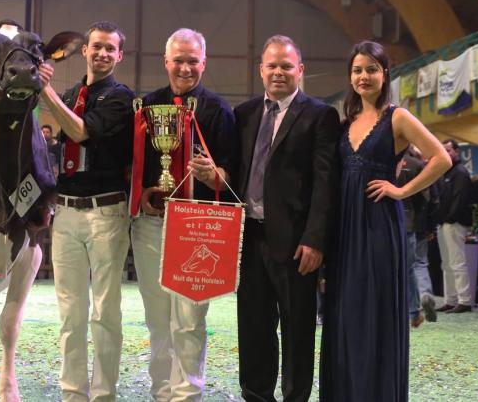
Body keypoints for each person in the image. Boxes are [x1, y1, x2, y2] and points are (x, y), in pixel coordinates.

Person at [319, 40, 450, 401]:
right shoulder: (345, 122)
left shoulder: (398, 117)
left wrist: (401, 190)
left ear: (385, 73)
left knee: (374, 310)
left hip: (378, 227)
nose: (364, 76)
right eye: (358, 70)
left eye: (371, 69)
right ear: (351, 75)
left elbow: (441, 158)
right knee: (345, 312)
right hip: (345, 230)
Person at [129, 28, 235, 400]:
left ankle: (187, 395)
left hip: (197, 226)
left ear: (204, 63)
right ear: (166, 61)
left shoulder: (220, 110)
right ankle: (161, 391)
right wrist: (141, 193)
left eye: (193, 61)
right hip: (151, 226)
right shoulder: (146, 106)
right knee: (157, 319)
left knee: (189, 321)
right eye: (179, 60)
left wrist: (213, 174)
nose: (186, 68)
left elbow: (230, 172)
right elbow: (136, 165)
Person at [234, 35, 341, 402]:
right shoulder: (244, 114)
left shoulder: (320, 115)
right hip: (249, 238)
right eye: (272, 66)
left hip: (297, 243)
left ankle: (296, 396)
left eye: (286, 66)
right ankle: (256, 394)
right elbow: (236, 173)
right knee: (253, 324)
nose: (279, 72)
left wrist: (315, 239)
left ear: (300, 70)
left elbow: (326, 183)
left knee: (297, 327)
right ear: (261, 69)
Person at [38, 20, 134, 401]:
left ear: (119, 55)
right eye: (97, 46)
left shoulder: (120, 98)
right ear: (85, 51)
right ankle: (73, 393)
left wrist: (44, 89)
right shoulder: (72, 92)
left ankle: (104, 393)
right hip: (67, 212)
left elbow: (79, 132)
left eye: (111, 48)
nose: (103, 53)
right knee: (70, 312)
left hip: (105, 213)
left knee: (105, 311)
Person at [397, 150, 439, 327]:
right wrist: (429, 226)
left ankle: (389, 310)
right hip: (413, 223)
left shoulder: (382, 160)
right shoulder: (417, 165)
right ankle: (420, 301)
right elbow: (430, 199)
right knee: (415, 265)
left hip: (386, 221)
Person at [435, 139, 474, 313]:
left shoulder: (460, 172)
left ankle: (464, 300)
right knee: (446, 264)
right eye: (444, 150)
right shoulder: (447, 172)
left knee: (457, 262)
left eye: (449, 150)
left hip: (454, 223)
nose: (447, 153)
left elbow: (459, 200)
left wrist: (448, 219)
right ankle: (450, 299)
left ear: (457, 151)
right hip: (445, 223)